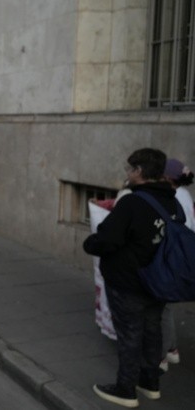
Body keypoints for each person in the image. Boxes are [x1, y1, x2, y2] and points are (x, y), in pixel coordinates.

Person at [84, 148, 178, 407]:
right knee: (152, 331)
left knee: (130, 335)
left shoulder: (132, 203)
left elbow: (108, 239)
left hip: (129, 282)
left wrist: (91, 242)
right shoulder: (172, 201)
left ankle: (125, 389)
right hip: (159, 280)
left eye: (129, 169)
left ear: (138, 171)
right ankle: (150, 382)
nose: (127, 173)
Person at [158, 158, 194, 372]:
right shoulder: (184, 194)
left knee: (162, 308)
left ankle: (162, 355)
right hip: (179, 255)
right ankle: (170, 349)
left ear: (167, 178)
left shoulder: (174, 197)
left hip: (173, 256)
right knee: (164, 306)